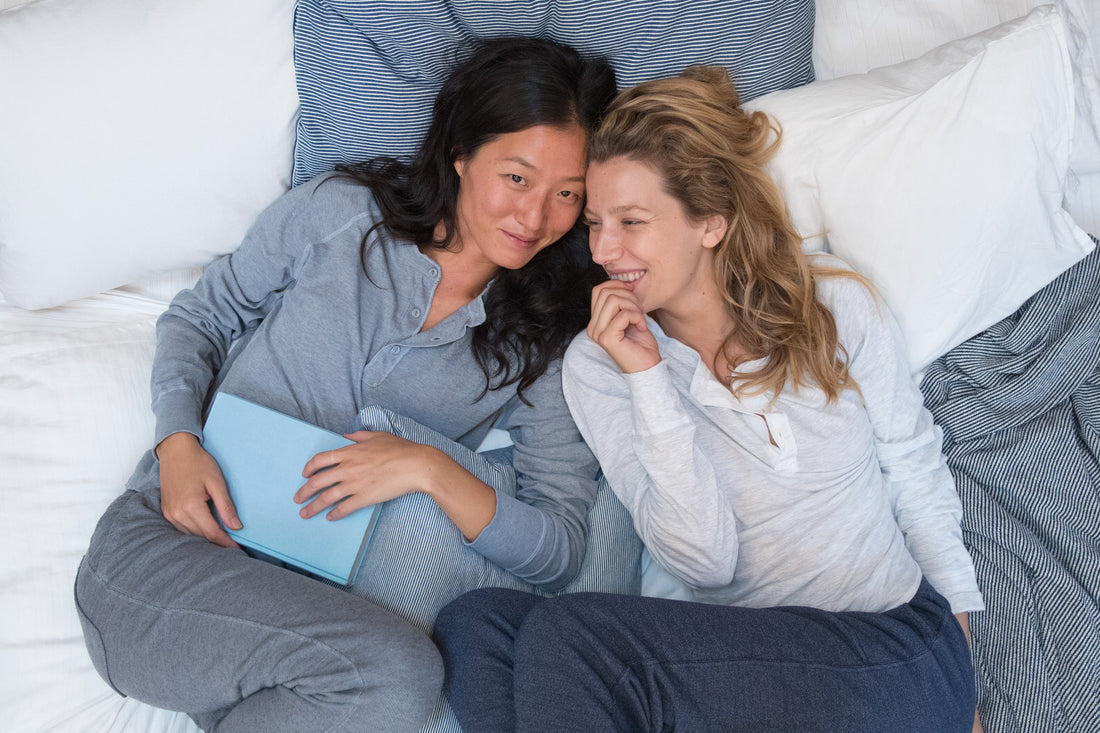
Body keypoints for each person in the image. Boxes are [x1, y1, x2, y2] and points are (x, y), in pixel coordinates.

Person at [73, 37, 641, 733]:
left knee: (395, 683)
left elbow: (557, 550)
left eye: (567, 195)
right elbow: (200, 319)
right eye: (517, 178)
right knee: (400, 673)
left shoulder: (544, 343)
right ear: (461, 153)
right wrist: (177, 444)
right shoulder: (340, 214)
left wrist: (429, 469)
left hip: (315, 640)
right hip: (163, 559)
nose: (534, 216)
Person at [432, 66, 985, 732]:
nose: (604, 250)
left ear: (711, 222)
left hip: (892, 648)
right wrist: (647, 379)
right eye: (596, 223)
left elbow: (916, 472)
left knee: (572, 639)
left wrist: (960, 673)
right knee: (479, 627)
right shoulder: (601, 364)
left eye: (632, 222)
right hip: (747, 670)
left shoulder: (834, 304)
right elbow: (705, 561)